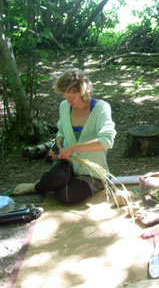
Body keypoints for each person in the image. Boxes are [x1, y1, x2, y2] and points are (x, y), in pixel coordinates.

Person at [13, 69, 116, 204]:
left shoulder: (101, 107)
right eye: (65, 96)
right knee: (54, 178)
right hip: (69, 163)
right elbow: (61, 132)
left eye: (72, 96)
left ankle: (63, 185)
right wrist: (59, 147)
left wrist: (73, 148)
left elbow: (107, 140)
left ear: (83, 91)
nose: (68, 100)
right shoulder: (64, 106)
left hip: (91, 173)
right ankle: (37, 186)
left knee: (66, 196)